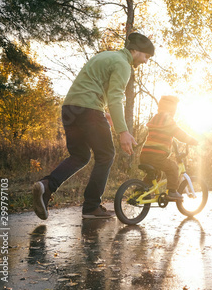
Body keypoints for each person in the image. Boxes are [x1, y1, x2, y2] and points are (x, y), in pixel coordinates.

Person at [32, 32, 155, 220]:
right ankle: (91, 207)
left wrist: (102, 113)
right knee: (106, 155)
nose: (146, 61)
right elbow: (115, 97)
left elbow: (90, 86)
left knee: (80, 155)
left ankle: (47, 185)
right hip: (88, 109)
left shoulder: (105, 55)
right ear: (136, 51)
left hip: (70, 108)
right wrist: (123, 131)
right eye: (146, 56)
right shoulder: (124, 65)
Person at [140, 95, 198, 201]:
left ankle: (141, 189)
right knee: (173, 168)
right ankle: (172, 191)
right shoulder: (169, 121)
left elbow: (161, 135)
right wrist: (193, 141)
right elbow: (180, 134)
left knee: (156, 174)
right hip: (157, 156)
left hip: (144, 154)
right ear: (172, 109)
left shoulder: (155, 119)